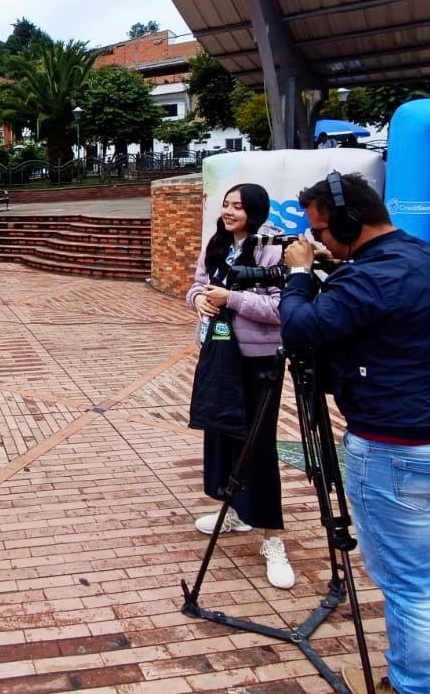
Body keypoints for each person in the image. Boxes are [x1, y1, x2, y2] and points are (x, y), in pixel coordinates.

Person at [279, 173, 430, 694]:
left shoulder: (366, 280)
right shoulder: (429, 259)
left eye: (323, 230)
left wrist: (299, 275)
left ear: (350, 222)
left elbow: (302, 328)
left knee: (409, 585)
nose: (323, 240)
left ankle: (409, 685)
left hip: (394, 453)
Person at [185, 183, 294, 590]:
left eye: (238, 207)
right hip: (218, 355)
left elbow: (281, 309)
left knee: (257, 446)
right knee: (220, 435)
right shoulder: (217, 244)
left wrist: (231, 298)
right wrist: (198, 299)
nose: (229, 212)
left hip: (258, 362)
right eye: (226, 205)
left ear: (257, 211)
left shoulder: (271, 249)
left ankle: (273, 538)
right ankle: (230, 509)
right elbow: (197, 285)